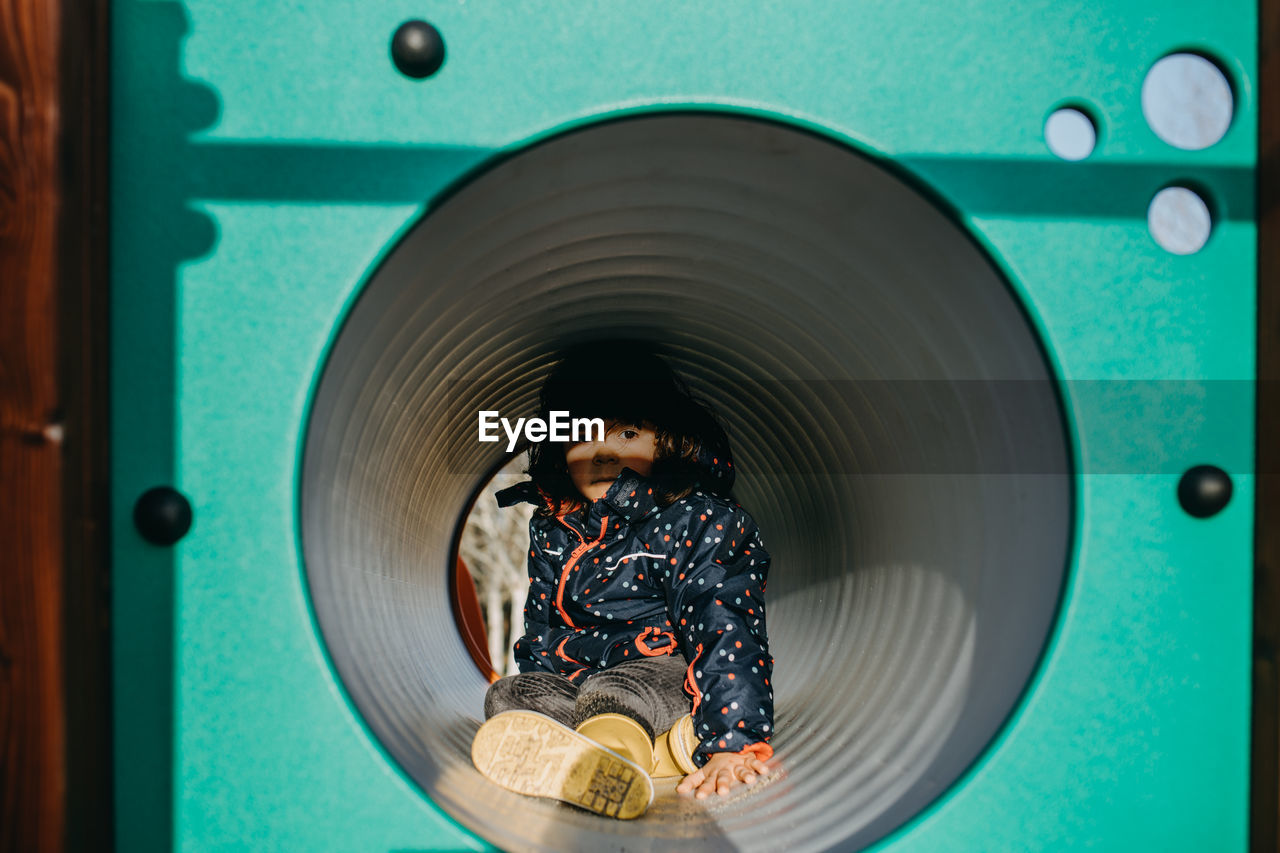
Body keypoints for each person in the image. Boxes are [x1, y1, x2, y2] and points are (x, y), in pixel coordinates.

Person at [470, 342, 775, 820]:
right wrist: (538, 683)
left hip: (668, 673)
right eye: (583, 435)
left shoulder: (696, 519)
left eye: (629, 432)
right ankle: (653, 757)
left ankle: (609, 765)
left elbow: (725, 627)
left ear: (668, 440)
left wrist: (733, 743)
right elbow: (542, 625)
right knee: (510, 696)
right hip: (583, 681)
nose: (604, 451)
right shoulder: (556, 528)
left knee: (616, 692)